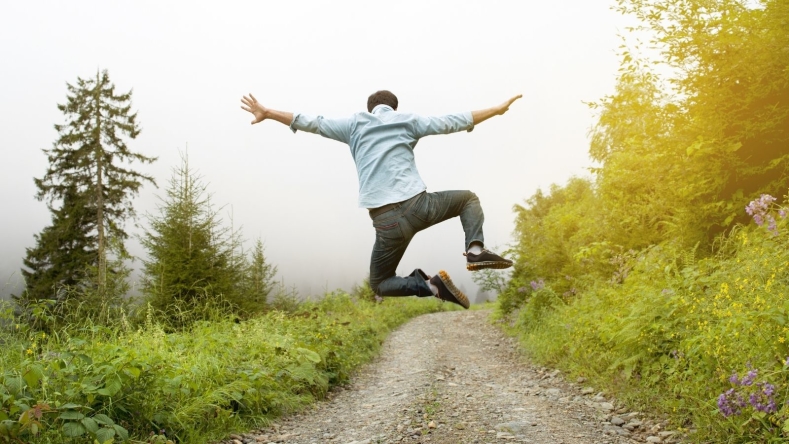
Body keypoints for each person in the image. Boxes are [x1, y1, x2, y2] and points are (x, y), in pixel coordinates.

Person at [241, 90, 521, 309]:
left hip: (386, 222)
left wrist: (268, 112)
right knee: (468, 199)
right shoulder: (408, 120)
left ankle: (431, 287)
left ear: (370, 109)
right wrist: (495, 110)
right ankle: (475, 251)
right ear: (394, 107)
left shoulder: (354, 125)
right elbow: (452, 121)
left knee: (380, 283)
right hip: (419, 206)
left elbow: (312, 122)